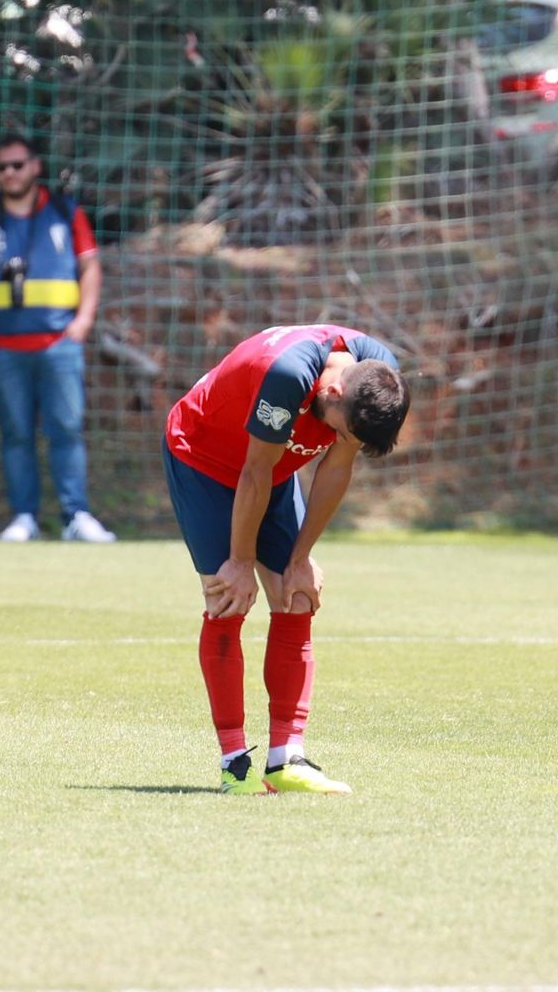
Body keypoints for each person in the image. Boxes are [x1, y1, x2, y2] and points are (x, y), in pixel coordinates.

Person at [163, 324, 410, 794]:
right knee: (228, 597)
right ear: (331, 391)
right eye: (339, 429)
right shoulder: (288, 375)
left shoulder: (375, 378)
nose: (338, 439)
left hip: (271, 469)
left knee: (297, 595)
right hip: (204, 460)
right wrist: (239, 561)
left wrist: (302, 557)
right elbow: (253, 472)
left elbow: (337, 465)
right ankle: (235, 764)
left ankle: (286, 760)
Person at [0, 133, 116, 543]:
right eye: (1, 167)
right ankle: (24, 517)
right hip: (2, 347)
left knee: (67, 429)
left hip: (60, 344)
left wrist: (83, 321)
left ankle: (76, 516)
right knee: (16, 432)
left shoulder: (63, 210)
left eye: (17, 165)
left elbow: (90, 266)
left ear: (35, 167)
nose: (9, 173)